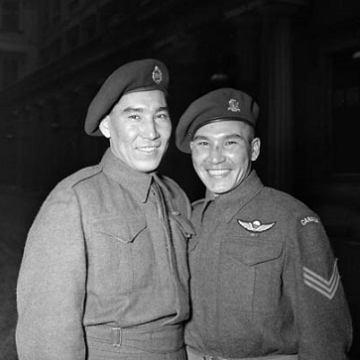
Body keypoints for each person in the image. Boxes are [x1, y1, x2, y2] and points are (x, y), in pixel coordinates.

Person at [16, 59, 195, 360]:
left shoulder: (175, 196)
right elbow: (47, 329)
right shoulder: (75, 199)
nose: (151, 132)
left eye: (160, 115)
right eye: (134, 116)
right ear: (107, 126)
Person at [175, 88, 352, 360]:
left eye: (230, 143)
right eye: (203, 144)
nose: (215, 158)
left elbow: (325, 334)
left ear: (254, 149)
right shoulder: (187, 218)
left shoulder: (293, 219)